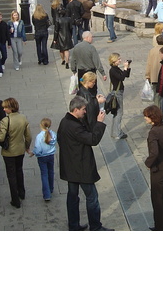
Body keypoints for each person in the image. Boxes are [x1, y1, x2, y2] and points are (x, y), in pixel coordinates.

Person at [57, 95, 113, 231]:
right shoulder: (75, 127)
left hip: (70, 167)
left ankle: (74, 225)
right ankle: (95, 226)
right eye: (83, 109)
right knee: (92, 197)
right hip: (81, 168)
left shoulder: (64, 122)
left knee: (72, 197)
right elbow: (93, 139)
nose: (85, 111)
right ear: (75, 110)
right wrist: (99, 123)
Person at [0, 98, 31, 209]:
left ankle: (15, 199)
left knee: (11, 175)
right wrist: (27, 147)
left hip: (9, 152)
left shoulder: (5, 121)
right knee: (19, 170)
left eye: (5, 107)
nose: (4, 109)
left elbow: (1, 138)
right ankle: (22, 192)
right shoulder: (23, 118)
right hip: (20, 150)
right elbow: (28, 136)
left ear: (11, 108)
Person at [30, 118, 57, 201]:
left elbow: (38, 148)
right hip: (51, 155)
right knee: (51, 172)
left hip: (42, 157)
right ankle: (51, 188)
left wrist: (33, 153)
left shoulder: (39, 136)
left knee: (44, 174)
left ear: (41, 125)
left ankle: (47, 194)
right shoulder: (53, 134)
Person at [108, 53, 131, 140]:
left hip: (119, 92)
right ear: (114, 61)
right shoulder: (113, 70)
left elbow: (126, 75)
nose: (120, 60)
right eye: (118, 59)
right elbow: (121, 78)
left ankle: (115, 131)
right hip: (117, 93)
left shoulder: (116, 68)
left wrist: (128, 67)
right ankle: (117, 133)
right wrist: (125, 68)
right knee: (119, 113)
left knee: (117, 113)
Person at [145, 35, 163, 105]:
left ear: (156, 41)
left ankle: (157, 108)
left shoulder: (152, 50)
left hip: (154, 76)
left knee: (156, 93)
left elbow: (149, 63)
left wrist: (147, 75)